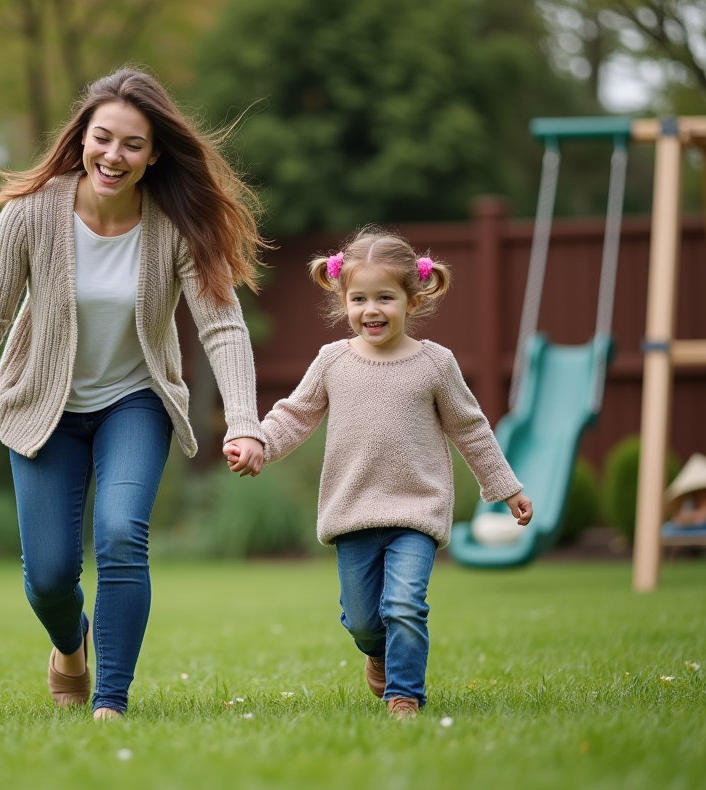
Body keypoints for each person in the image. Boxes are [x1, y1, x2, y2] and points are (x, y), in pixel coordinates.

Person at [0, 68, 267, 719]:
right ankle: (70, 645)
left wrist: (243, 420)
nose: (114, 155)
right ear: (81, 138)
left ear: (154, 152)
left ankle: (110, 699)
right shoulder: (30, 214)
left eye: (133, 144)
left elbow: (221, 322)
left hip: (135, 402)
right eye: (103, 138)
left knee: (121, 533)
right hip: (45, 407)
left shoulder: (175, 224)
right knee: (48, 577)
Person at [226, 226, 533, 719]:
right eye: (359, 298)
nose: (372, 310)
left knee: (405, 607)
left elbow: (471, 429)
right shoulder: (332, 361)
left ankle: (404, 695)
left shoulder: (435, 364)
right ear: (342, 300)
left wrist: (506, 488)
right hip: (352, 511)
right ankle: (377, 653)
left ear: (413, 300)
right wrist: (259, 442)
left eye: (385, 297)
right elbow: (295, 414)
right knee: (367, 620)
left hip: (417, 510)